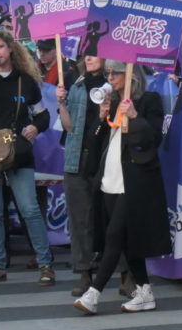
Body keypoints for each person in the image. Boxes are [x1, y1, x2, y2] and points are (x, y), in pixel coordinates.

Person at [74, 60, 171, 314]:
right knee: (127, 240)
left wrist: (135, 118)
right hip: (110, 179)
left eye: (114, 73)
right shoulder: (113, 103)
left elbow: (153, 139)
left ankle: (93, 293)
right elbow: (93, 143)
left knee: (114, 236)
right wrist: (101, 118)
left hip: (135, 181)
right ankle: (145, 292)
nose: (110, 77)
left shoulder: (148, 100)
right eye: (108, 73)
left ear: (130, 76)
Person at [0, 29, 54, 286]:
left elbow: (43, 115)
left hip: (18, 151)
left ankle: (45, 264)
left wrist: (35, 127)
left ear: (10, 49)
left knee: (29, 209)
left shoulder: (25, 80)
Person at [57, 56, 136, 297]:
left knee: (116, 219)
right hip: (78, 158)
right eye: (86, 53)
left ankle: (127, 275)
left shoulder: (119, 82)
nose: (89, 57)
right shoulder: (76, 83)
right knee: (80, 220)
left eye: (94, 53)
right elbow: (69, 126)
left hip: (109, 157)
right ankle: (85, 273)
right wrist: (61, 103)